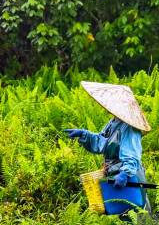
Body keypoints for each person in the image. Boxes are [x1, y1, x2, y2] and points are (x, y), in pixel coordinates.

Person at [64, 81, 152, 212]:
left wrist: (125, 173)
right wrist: (84, 134)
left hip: (128, 176)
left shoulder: (129, 127)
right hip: (114, 174)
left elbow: (132, 154)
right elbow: (102, 142)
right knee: (120, 214)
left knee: (137, 213)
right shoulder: (113, 122)